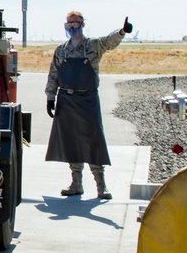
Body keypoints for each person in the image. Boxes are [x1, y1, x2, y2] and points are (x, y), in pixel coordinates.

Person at [45, 11, 132, 199]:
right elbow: (53, 74)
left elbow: (110, 41)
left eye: (75, 24)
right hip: (66, 100)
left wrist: (122, 32)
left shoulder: (92, 46)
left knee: (93, 140)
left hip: (88, 100)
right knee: (70, 142)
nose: (72, 28)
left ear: (83, 25)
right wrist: (50, 96)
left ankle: (101, 185)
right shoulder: (62, 50)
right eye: (69, 25)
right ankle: (76, 184)